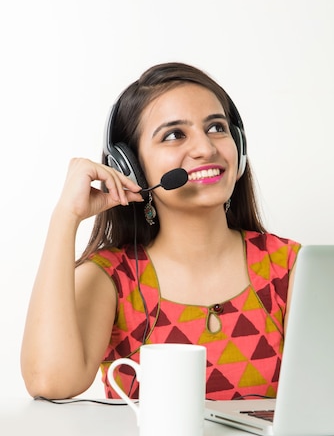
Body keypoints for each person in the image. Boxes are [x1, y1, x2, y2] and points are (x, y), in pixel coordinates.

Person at [21, 62, 301, 400]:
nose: (206, 148)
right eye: (174, 135)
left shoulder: (291, 266)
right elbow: (50, 382)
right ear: (132, 166)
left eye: (216, 128)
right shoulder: (111, 279)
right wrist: (65, 217)